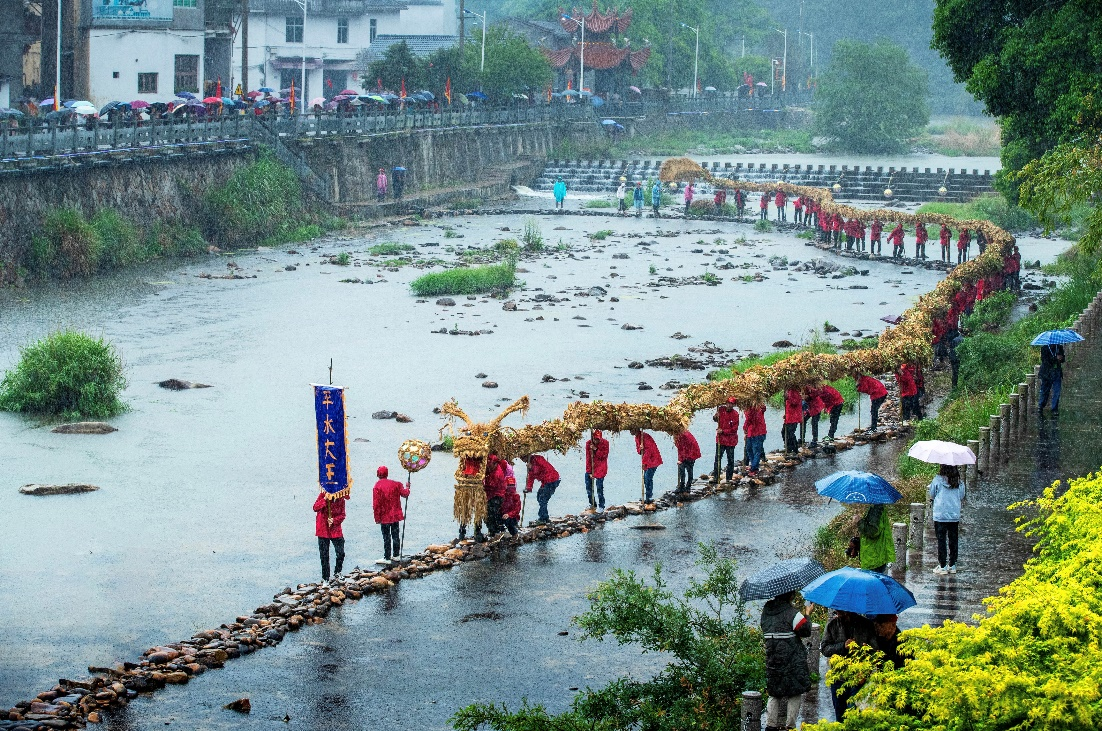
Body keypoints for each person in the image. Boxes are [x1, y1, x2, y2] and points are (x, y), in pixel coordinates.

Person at [761, 590, 812, 731]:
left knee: (774, 693)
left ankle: (770, 725)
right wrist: (807, 613)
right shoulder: (792, 613)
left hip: (773, 658)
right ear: (790, 595)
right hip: (792, 659)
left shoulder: (766, 611)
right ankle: (790, 727)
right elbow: (805, 630)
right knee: (794, 692)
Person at [822, 610, 879, 722]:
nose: (840, 615)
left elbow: (875, 651)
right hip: (839, 678)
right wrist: (842, 646)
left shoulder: (866, 625)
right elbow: (825, 649)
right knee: (840, 716)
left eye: (844, 613)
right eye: (839, 612)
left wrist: (865, 670)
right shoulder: (832, 625)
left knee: (854, 717)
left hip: (859, 679)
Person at [929, 464, 965, 574]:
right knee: (953, 539)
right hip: (954, 515)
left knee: (941, 540)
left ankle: (942, 566)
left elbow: (932, 494)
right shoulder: (959, 482)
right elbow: (962, 496)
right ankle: (952, 565)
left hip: (940, 515)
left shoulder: (937, 480)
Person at [373, 465, 410, 563]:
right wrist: (407, 487)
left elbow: (376, 504)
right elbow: (405, 494)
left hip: (384, 516)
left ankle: (387, 557)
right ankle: (396, 555)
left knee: (386, 536)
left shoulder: (377, 486)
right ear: (387, 473)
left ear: (378, 474)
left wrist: (377, 518)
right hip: (395, 515)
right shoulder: (396, 484)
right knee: (395, 535)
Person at [313, 488, 347, 581]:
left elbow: (343, 515)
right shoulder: (322, 495)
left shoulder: (341, 499)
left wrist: (334, 520)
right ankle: (325, 579)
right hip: (323, 529)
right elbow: (315, 507)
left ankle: (337, 572)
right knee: (324, 555)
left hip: (335, 529)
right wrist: (324, 500)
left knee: (341, 553)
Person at [523, 453, 560, 524]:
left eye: (523, 457)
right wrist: (528, 488)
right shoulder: (530, 464)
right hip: (545, 481)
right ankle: (544, 516)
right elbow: (531, 477)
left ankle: (543, 518)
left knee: (543, 498)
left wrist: (532, 467)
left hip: (552, 479)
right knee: (539, 496)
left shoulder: (538, 458)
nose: (523, 460)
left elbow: (544, 468)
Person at [859, 502, 895, 573]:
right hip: (877, 555)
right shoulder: (877, 506)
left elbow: (873, 532)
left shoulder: (875, 509)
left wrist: (859, 522)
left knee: (872, 583)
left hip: (873, 558)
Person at [712, 398, 740, 484]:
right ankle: (716, 477)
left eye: (731, 404)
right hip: (720, 440)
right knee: (717, 458)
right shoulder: (721, 409)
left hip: (730, 441)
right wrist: (715, 417)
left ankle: (729, 478)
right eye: (728, 403)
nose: (729, 405)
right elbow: (715, 419)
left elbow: (734, 429)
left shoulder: (735, 414)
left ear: (733, 405)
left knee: (730, 460)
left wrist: (723, 431)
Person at [631, 428, 662, 504]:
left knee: (648, 478)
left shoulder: (645, 436)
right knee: (646, 478)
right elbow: (639, 451)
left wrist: (644, 462)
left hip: (653, 460)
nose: (630, 431)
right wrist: (640, 449)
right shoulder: (637, 438)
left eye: (632, 430)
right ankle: (648, 496)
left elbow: (649, 450)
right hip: (647, 460)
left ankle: (649, 497)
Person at [1038, 342, 1065, 417]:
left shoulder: (1059, 347)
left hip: (1057, 372)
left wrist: (1061, 358)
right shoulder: (1044, 348)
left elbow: (1063, 359)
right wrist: (1055, 358)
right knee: (1044, 390)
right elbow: (1045, 361)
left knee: (1057, 391)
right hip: (1047, 373)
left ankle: (1054, 408)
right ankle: (1041, 406)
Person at [585, 429, 610, 511]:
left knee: (599, 488)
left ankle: (601, 506)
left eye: (598, 439)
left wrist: (596, 449)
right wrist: (589, 472)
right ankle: (592, 504)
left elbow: (603, 456)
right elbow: (588, 458)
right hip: (591, 467)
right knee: (588, 488)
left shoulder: (605, 443)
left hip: (601, 468)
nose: (596, 441)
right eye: (595, 439)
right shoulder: (588, 443)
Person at [483, 453, 508, 535]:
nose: (488, 467)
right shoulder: (492, 469)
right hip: (492, 494)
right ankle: (494, 530)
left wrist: (481, 485)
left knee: (491, 514)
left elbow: (490, 486)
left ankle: (495, 531)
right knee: (490, 514)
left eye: (490, 466)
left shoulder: (497, 473)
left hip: (497, 495)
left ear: (495, 464)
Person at [743, 402, 767, 475]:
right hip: (751, 432)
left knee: (756, 450)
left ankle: (754, 468)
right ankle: (753, 465)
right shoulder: (749, 408)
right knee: (749, 449)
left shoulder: (757, 408)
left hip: (758, 432)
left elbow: (749, 419)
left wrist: (745, 428)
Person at [674, 429, 701, 494]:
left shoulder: (683, 436)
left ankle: (685, 486)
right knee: (688, 469)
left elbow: (683, 449)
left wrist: (681, 460)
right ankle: (685, 486)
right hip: (690, 453)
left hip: (691, 454)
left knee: (686, 468)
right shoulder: (682, 434)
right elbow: (681, 449)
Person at [783, 388, 802, 454]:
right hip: (789, 417)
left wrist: (788, 397)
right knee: (784, 432)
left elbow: (795, 402)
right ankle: (789, 448)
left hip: (794, 417)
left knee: (790, 433)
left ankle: (794, 449)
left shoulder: (796, 392)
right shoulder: (789, 391)